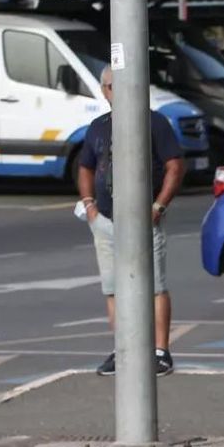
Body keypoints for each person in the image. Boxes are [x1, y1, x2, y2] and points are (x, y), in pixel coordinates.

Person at [78, 67, 185, 376]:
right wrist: (89, 206)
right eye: (112, 86)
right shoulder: (98, 127)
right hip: (106, 220)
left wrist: (158, 206)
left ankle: (161, 351)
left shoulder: (154, 122)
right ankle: (121, 349)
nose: (118, 92)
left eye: (123, 85)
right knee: (113, 288)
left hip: (144, 220)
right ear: (104, 90)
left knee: (155, 285)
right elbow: (85, 166)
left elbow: (175, 166)